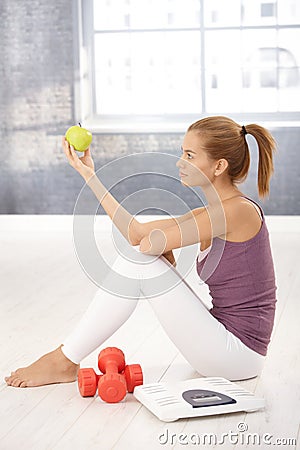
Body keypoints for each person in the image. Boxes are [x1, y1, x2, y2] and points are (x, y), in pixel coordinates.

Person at [5, 116, 277, 387]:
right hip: (222, 344)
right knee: (139, 258)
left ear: (219, 166)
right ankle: (65, 359)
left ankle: (64, 360)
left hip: (238, 356)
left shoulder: (237, 211)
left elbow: (147, 245)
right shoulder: (212, 213)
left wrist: (161, 245)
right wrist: (90, 175)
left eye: (190, 155)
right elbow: (137, 233)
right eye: (182, 152)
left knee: (139, 260)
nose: (180, 162)